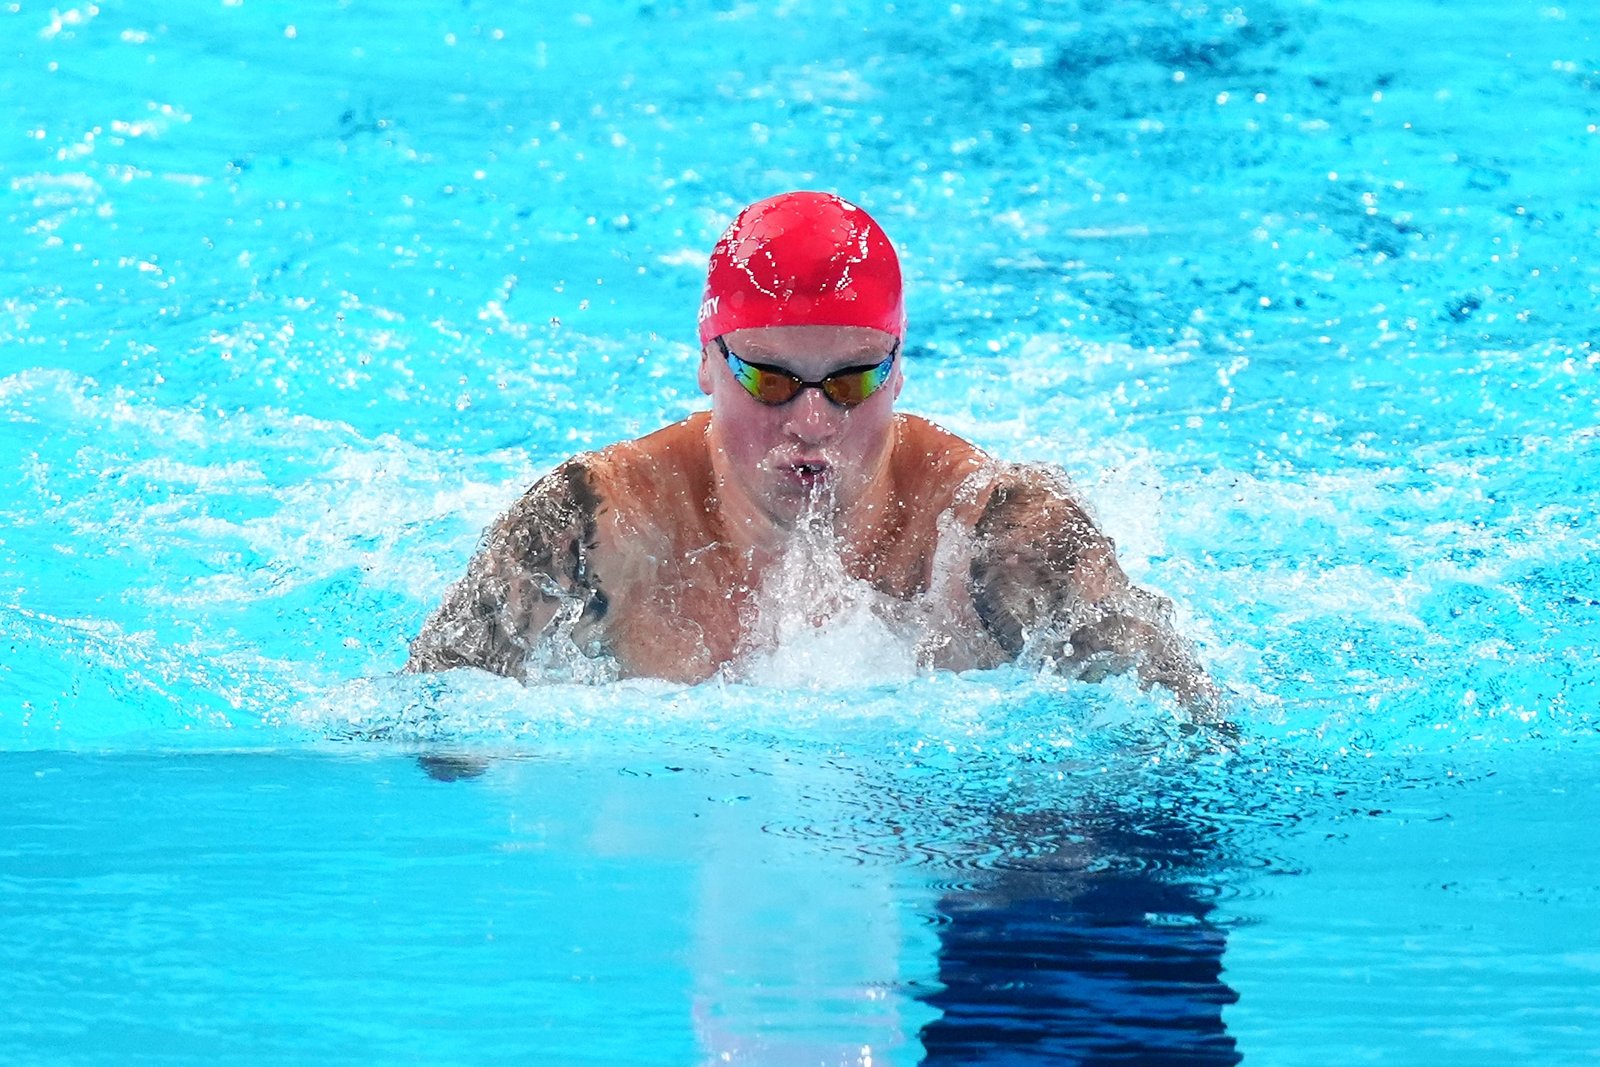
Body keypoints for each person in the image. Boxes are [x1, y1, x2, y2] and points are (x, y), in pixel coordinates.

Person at [407, 191, 1221, 717]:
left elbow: (1193, 731)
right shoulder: (594, 522)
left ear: (899, 368)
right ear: (704, 363)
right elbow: (425, 726)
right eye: (767, 379)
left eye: (852, 379)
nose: (813, 421)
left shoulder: (1000, 534)